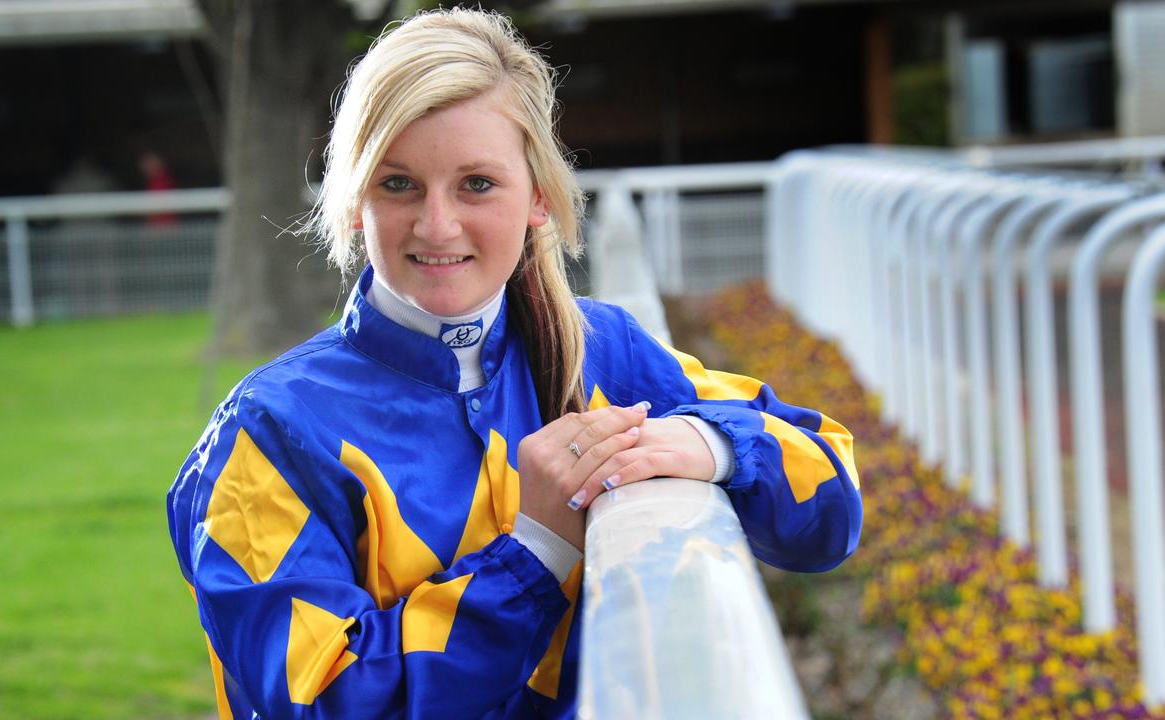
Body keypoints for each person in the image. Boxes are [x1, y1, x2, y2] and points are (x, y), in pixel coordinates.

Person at [166, 8, 862, 719]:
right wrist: (534, 552)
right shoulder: (267, 432)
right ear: (352, 202)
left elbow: (831, 507)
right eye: (398, 183)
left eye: (477, 184)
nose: (438, 225)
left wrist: (708, 444)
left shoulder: (607, 352)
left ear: (537, 197)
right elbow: (318, 703)